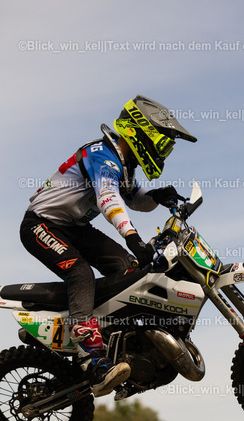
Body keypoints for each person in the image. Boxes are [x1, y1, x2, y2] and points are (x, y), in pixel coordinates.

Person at [20, 95, 197, 399]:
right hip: (40, 225)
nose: (163, 151)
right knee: (80, 272)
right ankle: (90, 358)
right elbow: (108, 198)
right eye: (162, 143)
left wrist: (157, 196)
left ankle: (122, 348)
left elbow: (135, 200)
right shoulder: (102, 154)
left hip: (73, 227)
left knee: (129, 268)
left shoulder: (123, 163)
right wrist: (132, 236)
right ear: (141, 133)